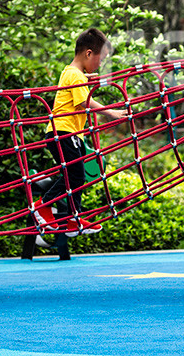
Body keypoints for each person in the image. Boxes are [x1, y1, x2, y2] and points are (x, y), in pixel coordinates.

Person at [32, 28, 125, 236]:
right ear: (89, 53)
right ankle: (43, 205)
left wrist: (85, 79)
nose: (100, 65)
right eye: (100, 59)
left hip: (68, 133)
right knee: (75, 175)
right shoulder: (75, 75)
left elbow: (77, 92)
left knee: (74, 175)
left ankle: (73, 218)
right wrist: (111, 112)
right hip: (64, 132)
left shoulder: (72, 73)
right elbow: (84, 101)